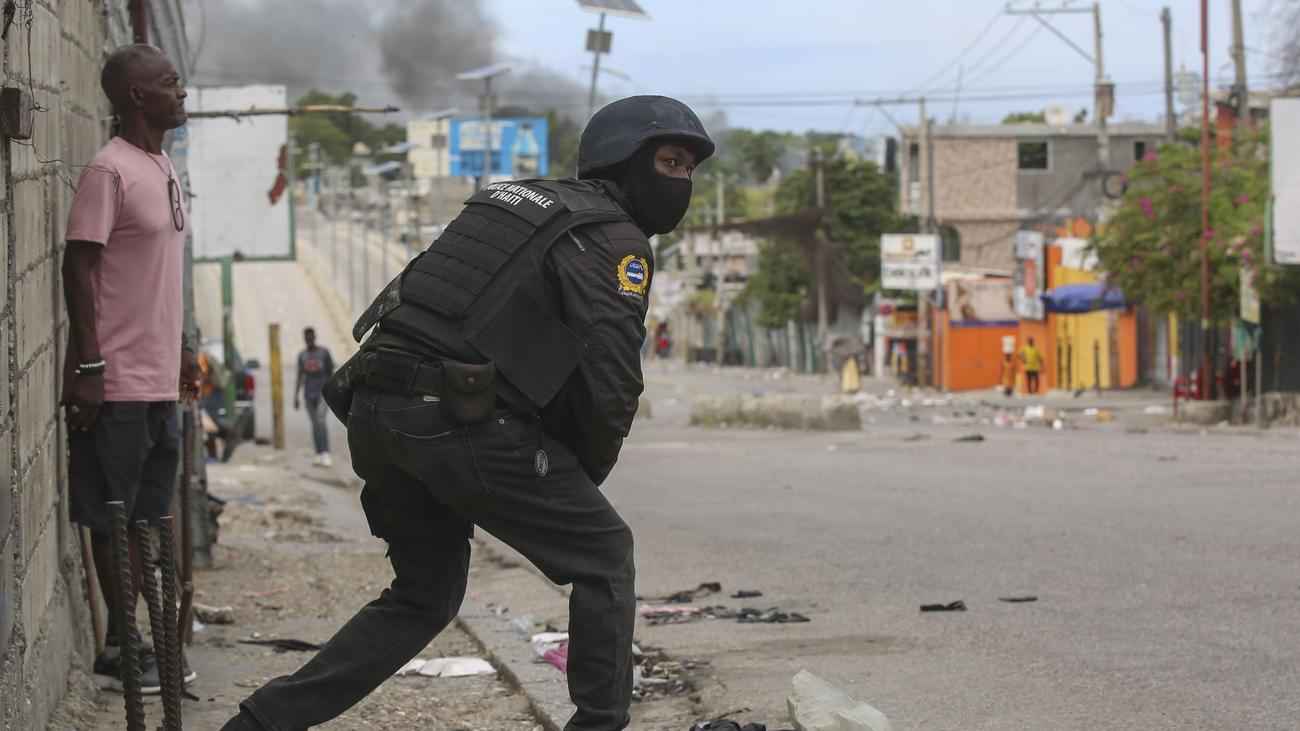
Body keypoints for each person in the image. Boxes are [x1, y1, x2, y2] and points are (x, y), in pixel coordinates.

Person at [221, 95, 713, 731]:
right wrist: (575, 485)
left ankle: (260, 723)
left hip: (374, 405)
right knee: (605, 554)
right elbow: (609, 378)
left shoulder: (509, 201)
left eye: (689, 168)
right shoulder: (614, 239)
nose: (683, 181)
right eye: (670, 162)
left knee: (425, 596)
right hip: (454, 418)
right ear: (623, 160)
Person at [61, 44, 199, 694]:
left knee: (145, 515)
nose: (182, 92)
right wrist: (89, 364)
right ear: (138, 97)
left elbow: (154, 281)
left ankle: (143, 639)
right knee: (111, 515)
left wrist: (179, 354)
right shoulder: (108, 170)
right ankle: (122, 643)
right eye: (170, 84)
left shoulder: (161, 164)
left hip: (156, 383)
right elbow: (79, 265)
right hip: (112, 382)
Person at [294, 327, 336, 466]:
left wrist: (334, 391)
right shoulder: (302, 356)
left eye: (311, 337)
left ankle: (325, 452)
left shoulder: (323, 353)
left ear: (314, 337)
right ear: (304, 339)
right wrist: (296, 396)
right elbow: (300, 376)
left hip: (323, 393)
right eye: (307, 337)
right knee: (315, 424)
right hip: (308, 395)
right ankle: (318, 453)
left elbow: (331, 373)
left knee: (320, 421)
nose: (309, 339)